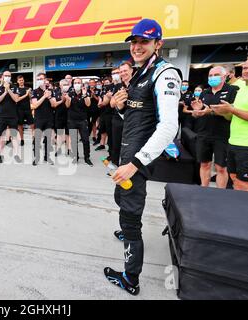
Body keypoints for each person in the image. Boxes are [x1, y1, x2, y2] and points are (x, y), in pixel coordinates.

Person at [104, 19, 181, 296]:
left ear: (158, 44)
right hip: (127, 155)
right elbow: (139, 120)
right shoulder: (138, 73)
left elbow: (169, 127)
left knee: (130, 217)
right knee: (120, 198)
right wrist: (121, 108)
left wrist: (135, 164)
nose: (137, 46)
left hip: (137, 162)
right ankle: (128, 235)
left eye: (144, 42)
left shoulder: (165, 73)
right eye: (134, 42)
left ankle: (130, 278)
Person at [192, 66, 238, 188]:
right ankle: (204, 190)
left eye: (216, 75)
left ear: (224, 76)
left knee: (221, 167)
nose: (212, 78)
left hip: (222, 135)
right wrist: (196, 112)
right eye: (210, 75)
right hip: (203, 133)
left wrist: (210, 111)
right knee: (204, 164)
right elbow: (199, 112)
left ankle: (220, 195)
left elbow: (231, 112)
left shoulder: (232, 90)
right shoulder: (204, 92)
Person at [211, 59, 248, 191]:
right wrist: (223, 112)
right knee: (234, 179)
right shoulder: (241, 88)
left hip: (246, 146)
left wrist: (231, 109)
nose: (245, 71)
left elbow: (235, 111)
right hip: (233, 142)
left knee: (243, 184)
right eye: (244, 68)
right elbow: (232, 115)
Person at [109, 61, 134, 166]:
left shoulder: (137, 84)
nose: (123, 73)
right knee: (116, 144)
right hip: (118, 120)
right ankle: (115, 165)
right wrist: (118, 98)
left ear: (131, 70)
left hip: (132, 121)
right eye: (121, 71)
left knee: (130, 146)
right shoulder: (119, 86)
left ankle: (127, 167)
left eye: (125, 71)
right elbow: (111, 104)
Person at [65, 78, 93, 166]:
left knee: (85, 140)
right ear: (73, 84)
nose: (77, 84)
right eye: (75, 83)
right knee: (73, 140)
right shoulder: (70, 93)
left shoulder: (86, 93)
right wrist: (68, 99)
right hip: (72, 120)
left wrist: (84, 95)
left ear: (81, 84)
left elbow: (88, 104)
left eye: (79, 83)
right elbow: (67, 105)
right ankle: (75, 157)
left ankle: (87, 157)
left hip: (83, 120)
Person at [0, 70, 21, 163]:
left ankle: (16, 155)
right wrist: (5, 91)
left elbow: (16, 99)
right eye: (5, 75)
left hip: (13, 115)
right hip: (2, 115)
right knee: (2, 137)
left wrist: (9, 89)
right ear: (2, 76)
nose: (7, 77)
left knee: (14, 136)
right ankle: (0, 155)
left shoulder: (15, 87)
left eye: (9, 75)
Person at [31, 73, 55, 165]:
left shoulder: (50, 91)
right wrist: (44, 96)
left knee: (48, 139)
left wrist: (48, 96)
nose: (40, 80)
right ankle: (36, 158)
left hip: (49, 118)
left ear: (45, 80)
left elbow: (53, 104)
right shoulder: (34, 91)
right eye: (38, 79)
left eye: (41, 78)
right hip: (39, 118)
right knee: (37, 139)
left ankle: (47, 157)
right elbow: (34, 105)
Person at [96, 75, 117, 152]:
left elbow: (105, 102)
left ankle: (110, 147)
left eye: (107, 82)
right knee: (102, 129)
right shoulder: (103, 89)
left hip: (110, 113)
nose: (106, 84)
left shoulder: (112, 89)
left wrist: (100, 104)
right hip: (102, 113)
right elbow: (100, 98)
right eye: (105, 83)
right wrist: (99, 103)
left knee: (109, 131)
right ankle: (102, 144)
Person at [51, 79, 70, 156]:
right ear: (60, 85)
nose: (65, 86)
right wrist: (62, 100)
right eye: (63, 85)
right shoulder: (55, 92)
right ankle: (58, 149)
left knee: (68, 133)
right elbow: (54, 104)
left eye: (66, 84)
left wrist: (67, 98)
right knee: (59, 133)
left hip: (69, 115)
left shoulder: (71, 92)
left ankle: (69, 149)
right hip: (59, 115)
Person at [16, 75, 34, 146]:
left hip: (28, 109)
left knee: (32, 125)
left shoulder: (28, 88)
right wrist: (26, 94)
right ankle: (22, 139)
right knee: (20, 126)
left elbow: (30, 98)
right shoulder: (16, 89)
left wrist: (29, 93)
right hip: (19, 110)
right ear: (17, 81)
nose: (21, 81)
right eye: (20, 80)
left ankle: (34, 139)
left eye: (22, 80)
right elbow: (17, 99)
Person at [88, 79, 102, 146]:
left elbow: (99, 100)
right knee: (86, 122)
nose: (91, 84)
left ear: (95, 83)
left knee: (93, 122)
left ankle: (94, 136)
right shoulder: (86, 90)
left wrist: (94, 96)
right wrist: (90, 96)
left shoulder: (98, 91)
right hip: (87, 109)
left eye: (93, 83)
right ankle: (86, 135)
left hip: (95, 109)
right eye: (90, 83)